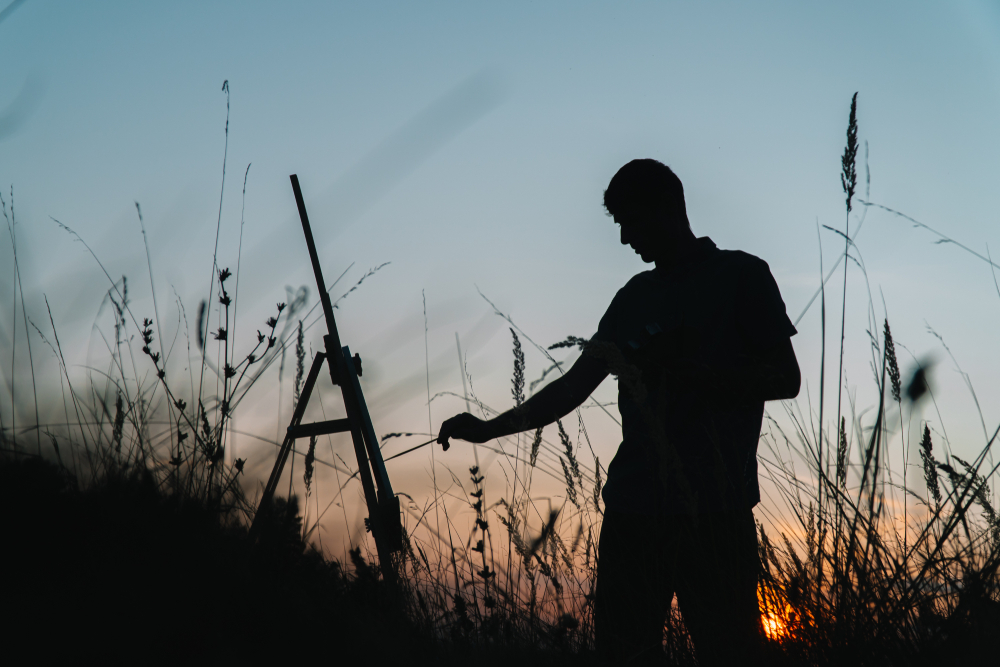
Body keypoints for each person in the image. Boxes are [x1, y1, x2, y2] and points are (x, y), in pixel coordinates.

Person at [437, 159, 800, 665]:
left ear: (667, 208)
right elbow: (573, 387)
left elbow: (786, 379)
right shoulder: (633, 298)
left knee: (731, 653)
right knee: (623, 654)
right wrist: (489, 429)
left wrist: (697, 374)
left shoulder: (741, 275)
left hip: (715, 510)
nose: (626, 238)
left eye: (632, 222)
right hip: (633, 511)